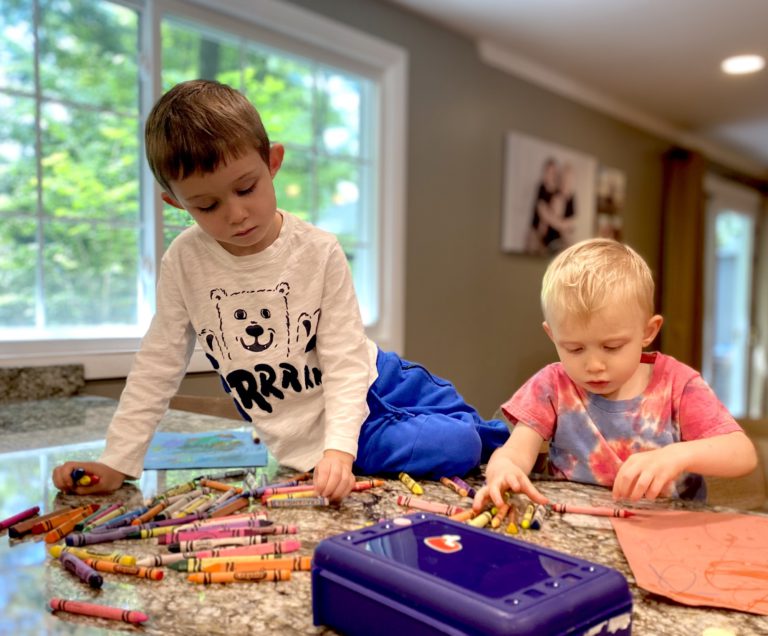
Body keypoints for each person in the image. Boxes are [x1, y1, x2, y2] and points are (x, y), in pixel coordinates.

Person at [52, 79, 508, 501]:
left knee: (476, 423)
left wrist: (338, 450)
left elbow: (345, 358)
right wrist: (117, 461)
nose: (236, 215)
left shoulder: (318, 250)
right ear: (176, 203)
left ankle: (514, 448)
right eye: (207, 206)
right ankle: (491, 444)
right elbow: (157, 365)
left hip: (373, 381)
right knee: (461, 443)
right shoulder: (184, 262)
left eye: (246, 188)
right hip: (330, 429)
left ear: (272, 163)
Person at [474, 238, 758, 511]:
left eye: (612, 347)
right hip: (574, 524)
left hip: (661, 532)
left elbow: (742, 454)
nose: (594, 365)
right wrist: (505, 470)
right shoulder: (552, 385)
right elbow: (515, 452)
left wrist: (678, 455)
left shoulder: (677, 384)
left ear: (648, 332)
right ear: (552, 335)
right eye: (574, 348)